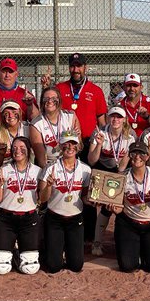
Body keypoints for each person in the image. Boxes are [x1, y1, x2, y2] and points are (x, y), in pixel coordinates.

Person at [40, 53, 107, 244]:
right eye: (72, 66)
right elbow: (48, 106)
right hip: (65, 145)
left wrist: (100, 141)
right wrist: (45, 87)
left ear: (85, 67)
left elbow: (101, 121)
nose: (75, 70)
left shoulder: (95, 90)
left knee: (87, 187)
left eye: (79, 66)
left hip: (87, 144)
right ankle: (55, 229)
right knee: (62, 185)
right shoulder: (60, 88)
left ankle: (87, 235)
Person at [109, 138, 150, 274]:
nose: (137, 157)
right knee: (128, 266)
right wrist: (114, 209)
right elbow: (119, 208)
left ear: (147, 156)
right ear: (129, 156)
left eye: (141, 153)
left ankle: (145, 249)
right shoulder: (122, 177)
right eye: (134, 153)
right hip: (130, 223)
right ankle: (136, 250)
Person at [39, 131, 91, 273]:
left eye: (73, 143)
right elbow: (42, 199)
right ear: (60, 146)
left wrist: (94, 200)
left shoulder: (85, 170)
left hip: (75, 219)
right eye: (66, 144)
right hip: (54, 219)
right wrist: (49, 186)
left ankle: (64, 249)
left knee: (76, 266)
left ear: (79, 146)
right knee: (53, 267)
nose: (70, 147)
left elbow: (85, 197)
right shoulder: (51, 168)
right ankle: (53, 251)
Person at [0, 135, 42, 275]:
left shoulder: (37, 171)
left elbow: (42, 199)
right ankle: (8, 252)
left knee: (30, 268)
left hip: (29, 219)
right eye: (14, 148)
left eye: (22, 148)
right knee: (1, 268)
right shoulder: (4, 169)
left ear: (29, 150)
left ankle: (17, 254)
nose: (17, 151)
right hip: (7, 219)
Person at [87, 105, 135, 256]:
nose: (116, 119)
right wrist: (99, 144)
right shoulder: (100, 132)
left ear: (124, 119)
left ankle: (124, 240)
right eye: (113, 116)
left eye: (119, 117)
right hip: (101, 169)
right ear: (108, 117)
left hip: (118, 172)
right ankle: (96, 243)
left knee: (116, 205)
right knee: (104, 208)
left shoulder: (130, 136)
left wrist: (115, 186)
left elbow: (122, 167)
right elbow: (91, 160)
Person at [0, 58, 39, 130]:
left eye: (10, 72)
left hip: (17, 138)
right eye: (4, 71)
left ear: (16, 74)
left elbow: (35, 120)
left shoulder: (25, 95)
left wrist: (30, 105)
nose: (7, 75)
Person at [29, 87, 82, 168]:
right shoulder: (36, 124)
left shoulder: (70, 116)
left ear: (59, 100)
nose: (50, 101)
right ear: (42, 102)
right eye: (46, 98)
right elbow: (41, 160)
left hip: (70, 160)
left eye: (54, 98)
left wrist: (77, 138)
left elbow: (79, 147)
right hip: (50, 164)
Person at [0, 100, 31, 170]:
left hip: (28, 169)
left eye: (14, 112)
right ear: (1, 116)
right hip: (5, 171)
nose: (11, 116)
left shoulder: (28, 128)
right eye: (6, 113)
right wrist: (0, 154)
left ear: (20, 112)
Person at [119, 73, 150, 137]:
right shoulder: (120, 105)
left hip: (147, 140)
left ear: (141, 87)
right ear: (124, 87)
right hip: (127, 140)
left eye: (135, 85)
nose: (132, 88)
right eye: (129, 85)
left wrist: (147, 117)